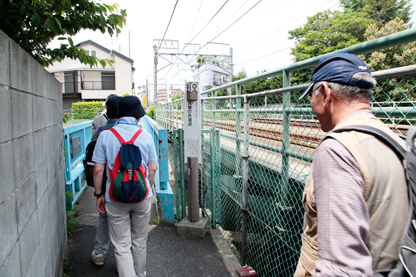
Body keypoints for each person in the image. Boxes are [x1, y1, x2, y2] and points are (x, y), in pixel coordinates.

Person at [295, 53, 409, 276]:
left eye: (311, 95)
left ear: (326, 93)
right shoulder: (398, 141)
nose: (311, 104)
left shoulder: (338, 150)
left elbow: (342, 268)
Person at [92, 96, 157, 277]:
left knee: (121, 245)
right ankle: (140, 274)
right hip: (142, 197)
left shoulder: (105, 136)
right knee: (139, 241)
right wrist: (147, 190)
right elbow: (152, 168)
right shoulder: (145, 136)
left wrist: (99, 194)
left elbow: (98, 170)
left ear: (119, 114)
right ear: (137, 117)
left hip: (115, 196)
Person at [90, 96, 120, 266]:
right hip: (126, 186)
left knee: (104, 220)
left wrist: (98, 192)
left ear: (107, 110)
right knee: (125, 225)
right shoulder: (130, 130)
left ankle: (100, 254)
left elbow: (95, 166)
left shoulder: (100, 131)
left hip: (106, 187)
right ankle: (121, 262)